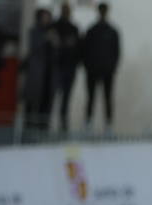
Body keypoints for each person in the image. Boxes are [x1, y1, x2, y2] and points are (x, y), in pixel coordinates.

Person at [81, 3, 119, 130]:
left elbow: (117, 53)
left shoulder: (113, 31)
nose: (103, 13)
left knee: (107, 98)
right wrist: (88, 67)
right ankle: (88, 123)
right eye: (101, 10)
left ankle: (108, 125)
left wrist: (112, 68)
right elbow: (84, 51)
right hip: (92, 71)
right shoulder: (91, 31)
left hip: (107, 71)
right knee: (91, 98)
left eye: (104, 11)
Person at [21, 8, 55, 136]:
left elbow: (56, 52)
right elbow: (34, 47)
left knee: (45, 104)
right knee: (30, 103)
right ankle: (27, 129)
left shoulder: (53, 32)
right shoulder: (34, 31)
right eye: (44, 16)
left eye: (48, 17)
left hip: (48, 74)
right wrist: (46, 38)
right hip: (36, 74)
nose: (47, 19)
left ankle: (43, 129)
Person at [49, 2, 78, 133]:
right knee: (52, 97)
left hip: (69, 67)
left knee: (65, 99)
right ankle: (48, 124)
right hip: (57, 67)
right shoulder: (54, 27)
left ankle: (63, 125)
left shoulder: (73, 28)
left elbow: (78, 48)